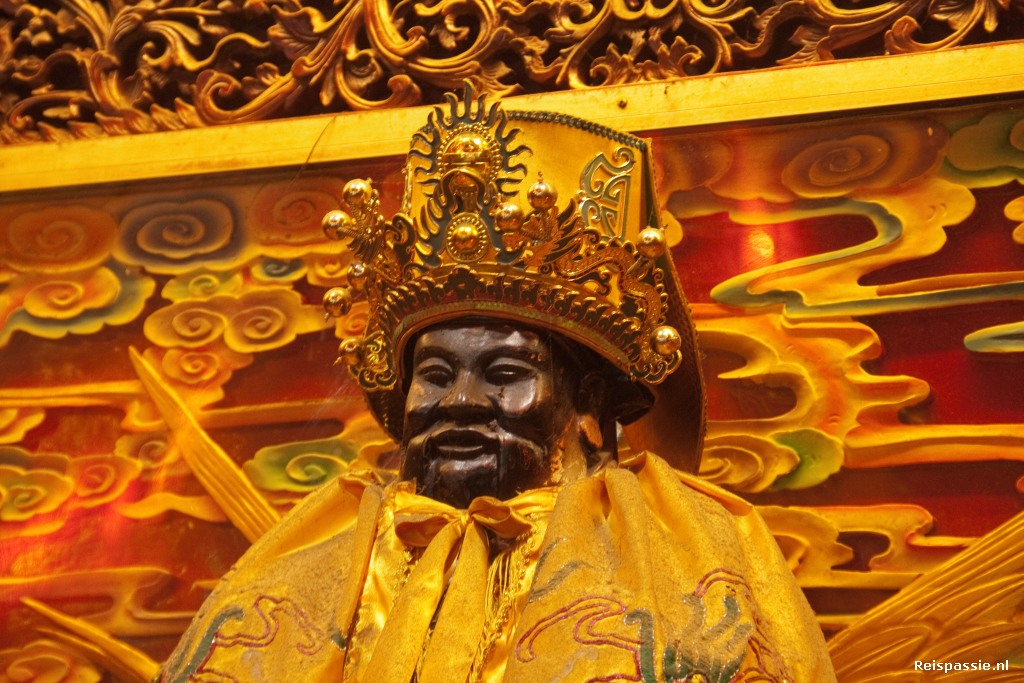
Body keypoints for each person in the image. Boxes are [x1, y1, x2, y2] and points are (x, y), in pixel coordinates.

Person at [159, 89, 836, 682]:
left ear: (587, 401)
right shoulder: (323, 552)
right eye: (433, 375)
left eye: (507, 374)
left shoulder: (676, 545)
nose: (459, 402)